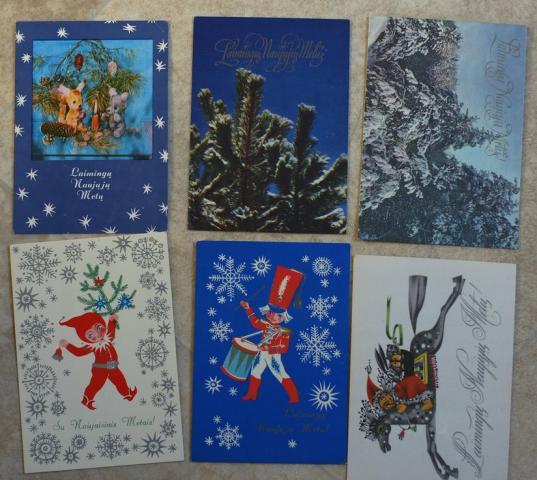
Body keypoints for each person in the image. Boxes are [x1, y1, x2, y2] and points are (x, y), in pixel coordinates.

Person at [54, 311, 137, 410]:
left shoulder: (108, 338)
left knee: (120, 380)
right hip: (100, 369)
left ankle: (127, 394)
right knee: (95, 385)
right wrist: (67, 345)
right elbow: (79, 352)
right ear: (85, 338)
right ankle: (86, 400)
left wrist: (112, 320)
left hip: (113, 366)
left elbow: (111, 331)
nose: (98, 335)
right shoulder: (93, 346)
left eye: (98, 328)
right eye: (91, 335)